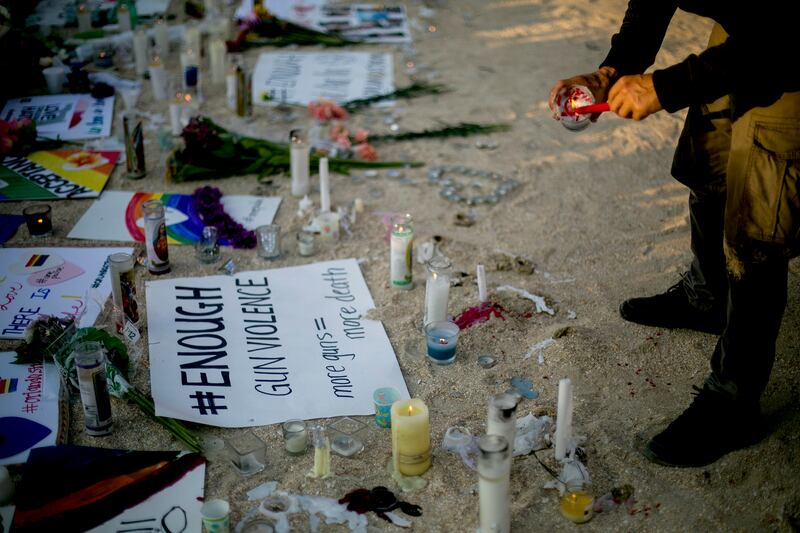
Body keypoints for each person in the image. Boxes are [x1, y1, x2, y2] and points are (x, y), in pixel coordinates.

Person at [549, 2, 800, 467]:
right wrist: (614, 70)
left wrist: (666, 86)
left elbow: (785, 34)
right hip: (744, 29)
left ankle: (734, 400)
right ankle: (707, 296)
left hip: (784, 44)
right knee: (707, 164)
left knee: (758, 228)